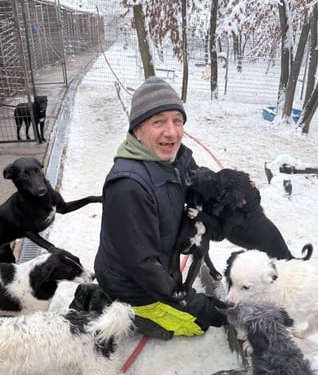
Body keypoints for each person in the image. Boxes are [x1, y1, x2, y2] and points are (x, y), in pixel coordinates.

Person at [92, 76, 227, 339]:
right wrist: (196, 304)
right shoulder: (128, 186)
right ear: (137, 130)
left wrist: (233, 193)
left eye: (177, 120)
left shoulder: (175, 157)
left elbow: (200, 183)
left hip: (160, 264)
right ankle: (113, 306)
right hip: (136, 287)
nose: (172, 132)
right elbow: (142, 266)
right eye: (158, 122)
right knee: (197, 325)